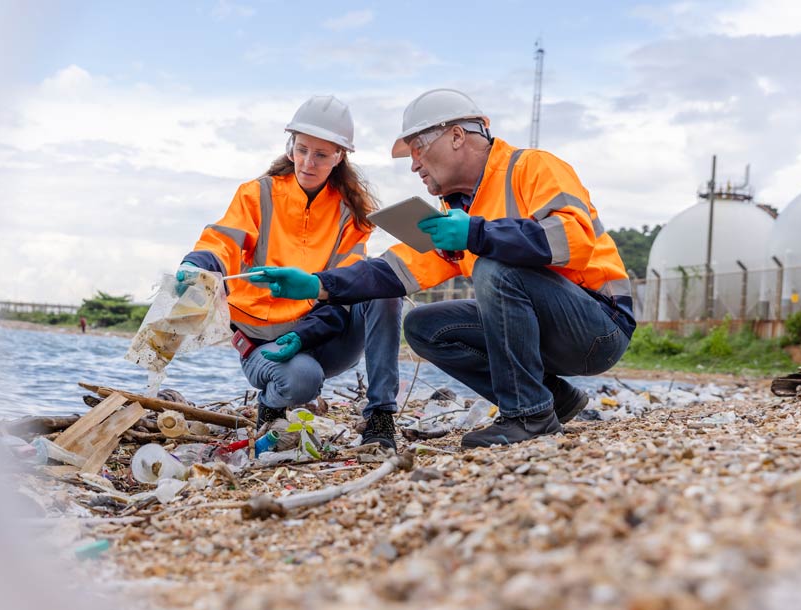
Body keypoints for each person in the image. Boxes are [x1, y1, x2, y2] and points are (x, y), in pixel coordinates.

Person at [251, 88, 635, 449]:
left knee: (494, 269)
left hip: (598, 327)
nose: (414, 164)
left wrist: (475, 233)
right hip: (550, 329)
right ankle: (552, 399)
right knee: (424, 327)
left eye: (418, 149)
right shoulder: (457, 213)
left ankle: (528, 415)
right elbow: (393, 271)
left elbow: (573, 240)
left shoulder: (533, 167)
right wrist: (318, 285)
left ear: (455, 136)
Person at [175, 95, 402, 449]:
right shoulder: (257, 194)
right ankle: (271, 404)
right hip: (266, 342)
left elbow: (349, 283)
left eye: (321, 155)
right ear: (291, 145)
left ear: (340, 156)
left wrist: (307, 333)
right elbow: (224, 240)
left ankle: (381, 418)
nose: (307, 162)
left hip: (326, 333)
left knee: (382, 285)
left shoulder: (352, 212)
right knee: (301, 380)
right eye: (301, 149)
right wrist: (197, 264)